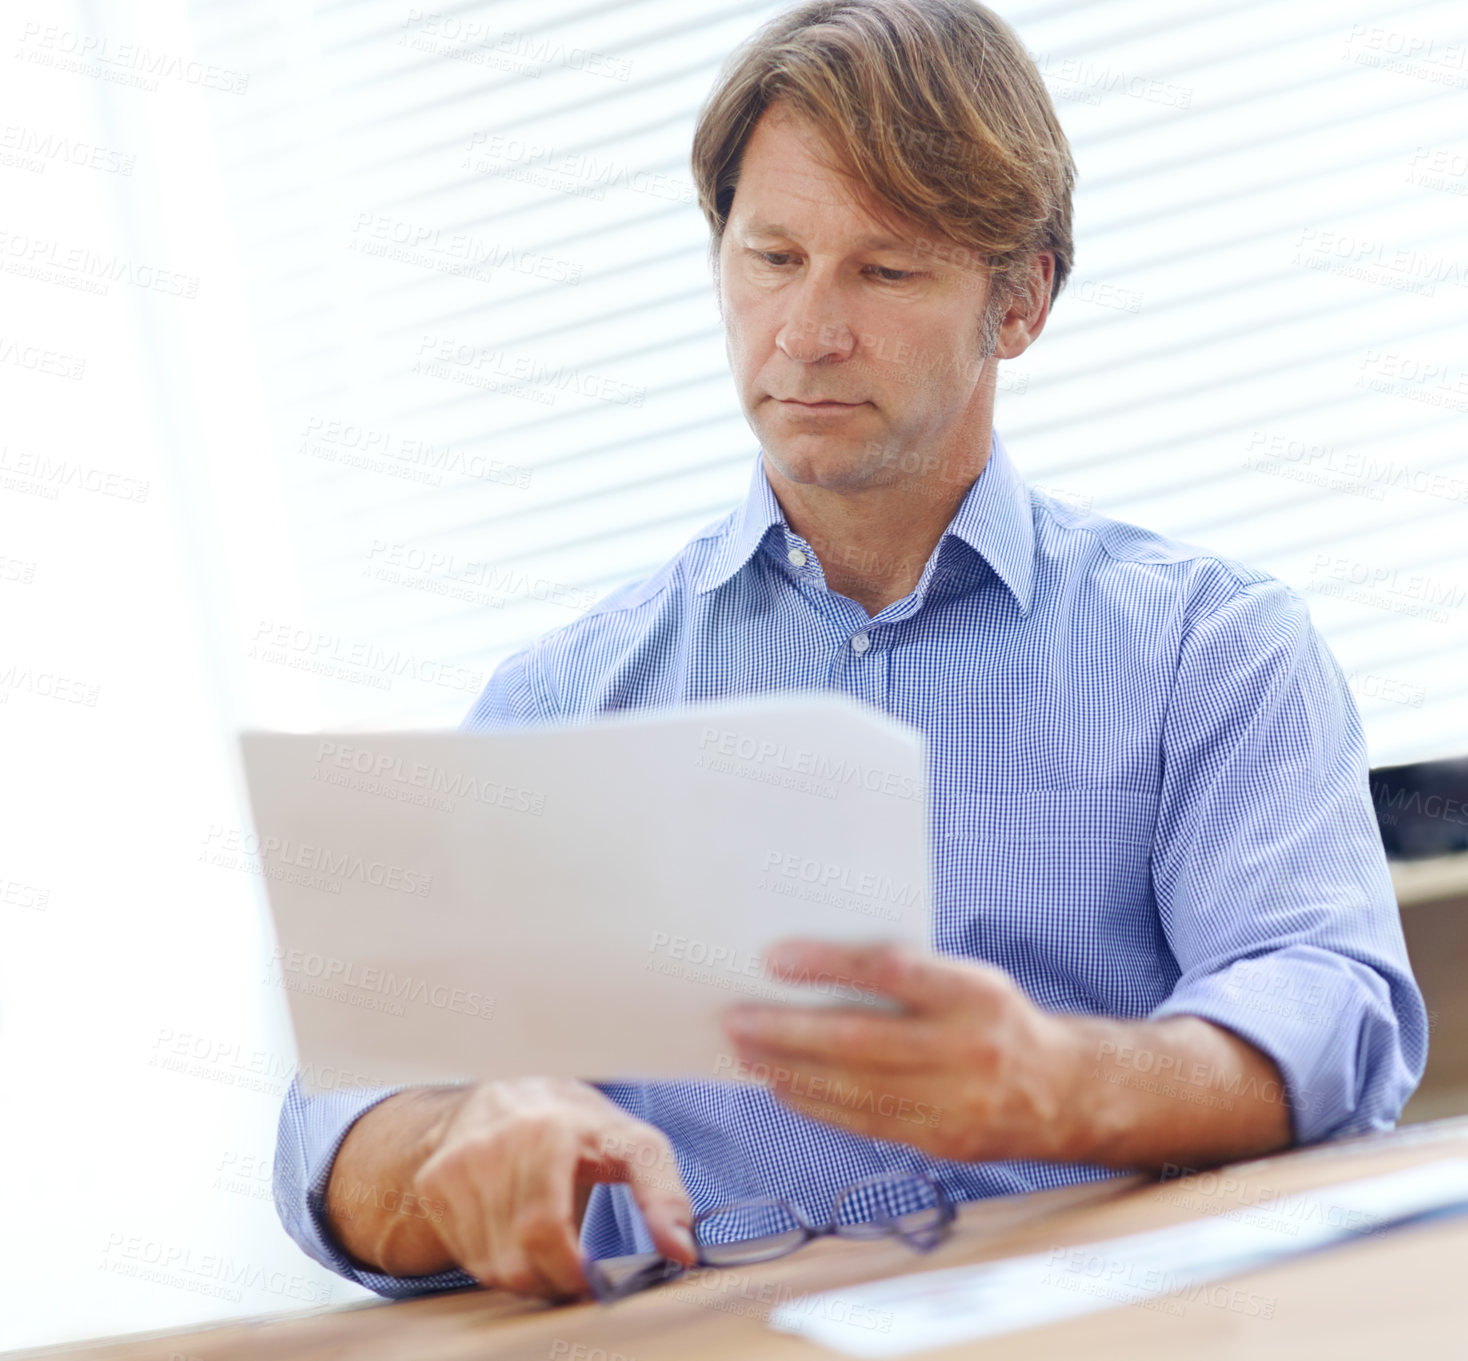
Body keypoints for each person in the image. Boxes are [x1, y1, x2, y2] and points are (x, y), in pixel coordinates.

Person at [273, 0, 1427, 1302]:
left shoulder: (1211, 651)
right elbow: (347, 1107)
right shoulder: (562, 703)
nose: (807, 331)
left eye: (884, 271)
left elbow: (1333, 1010)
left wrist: (1062, 1080)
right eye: (771, 257)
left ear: (1021, 300)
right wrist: (448, 1149)